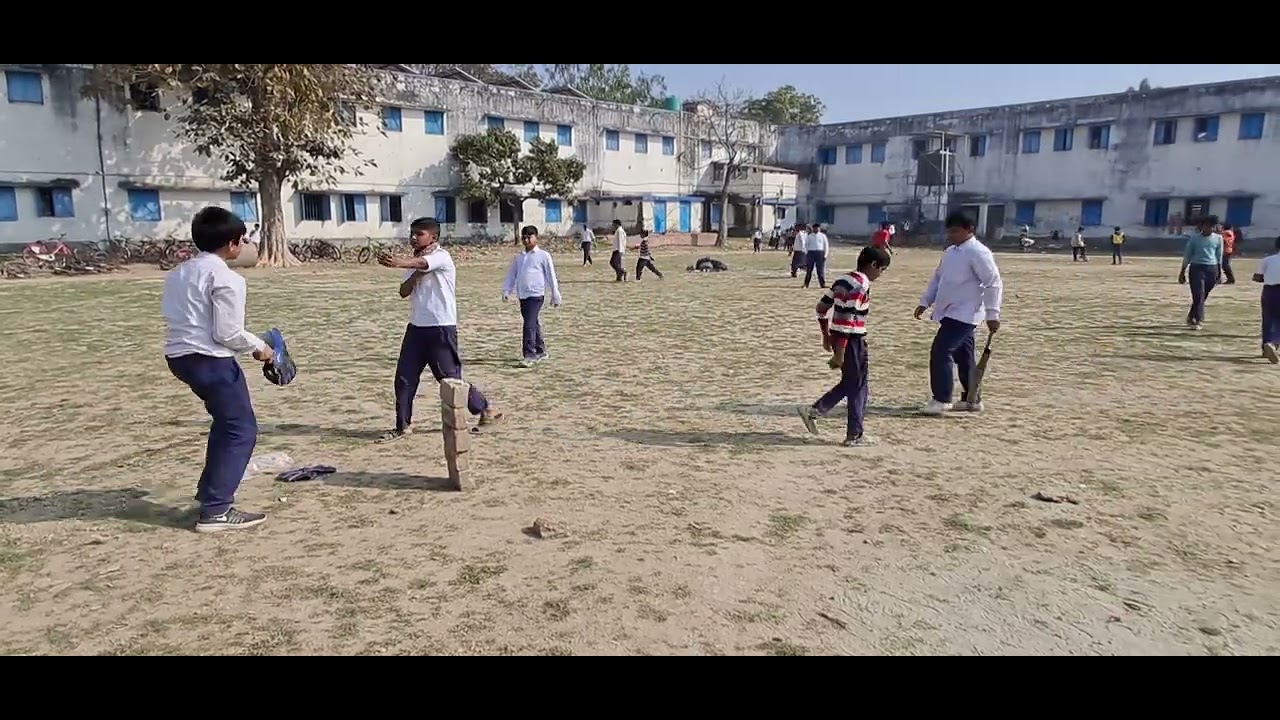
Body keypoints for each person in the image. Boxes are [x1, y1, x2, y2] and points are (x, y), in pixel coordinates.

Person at [162, 206, 274, 533]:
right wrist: (261, 348)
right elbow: (227, 333)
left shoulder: (179, 272)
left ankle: (210, 493)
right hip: (209, 358)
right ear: (233, 244)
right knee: (241, 429)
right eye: (243, 240)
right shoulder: (226, 277)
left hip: (180, 356)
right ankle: (216, 511)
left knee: (226, 424)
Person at [377, 217, 501, 442]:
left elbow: (425, 264)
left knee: (450, 379)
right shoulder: (414, 262)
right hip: (416, 328)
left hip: (441, 327)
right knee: (404, 378)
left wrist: (399, 262)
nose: (413, 237)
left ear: (433, 237)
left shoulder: (441, 256)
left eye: (419, 233)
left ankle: (485, 409)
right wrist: (413, 273)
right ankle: (403, 425)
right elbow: (404, 292)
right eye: (412, 233)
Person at [798, 246, 892, 447]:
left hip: (842, 339)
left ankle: (816, 411)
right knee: (857, 386)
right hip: (851, 341)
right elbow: (845, 321)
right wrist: (838, 354)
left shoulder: (843, 279)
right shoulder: (860, 285)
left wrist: (826, 336)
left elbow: (821, 307)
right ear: (874, 265)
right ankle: (853, 434)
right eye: (882, 270)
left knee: (854, 383)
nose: (880, 275)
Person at [914, 212, 1003, 415]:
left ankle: (942, 398)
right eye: (949, 231)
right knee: (964, 357)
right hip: (950, 311)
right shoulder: (951, 252)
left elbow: (993, 283)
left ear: (969, 229)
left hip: (966, 314)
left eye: (955, 231)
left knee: (941, 351)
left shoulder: (979, 252)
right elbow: (938, 279)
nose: (951, 235)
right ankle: (972, 399)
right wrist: (925, 301)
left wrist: (992, 314)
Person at [502, 225, 562, 366]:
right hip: (523, 295)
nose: (527, 240)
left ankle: (530, 354)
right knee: (533, 322)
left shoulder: (543, 256)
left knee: (528, 324)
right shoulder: (519, 258)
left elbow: (551, 275)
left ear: (536, 238)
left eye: (530, 237)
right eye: (524, 238)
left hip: (536, 295)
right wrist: (507, 290)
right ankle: (540, 350)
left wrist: (555, 293)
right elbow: (512, 275)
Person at [1178, 216, 1224, 330]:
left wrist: (1219, 272)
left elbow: (1219, 256)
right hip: (1197, 268)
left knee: (1203, 296)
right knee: (1198, 294)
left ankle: (1191, 315)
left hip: (1211, 269)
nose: (1209, 228)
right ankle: (1198, 320)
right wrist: (1182, 271)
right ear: (1201, 226)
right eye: (1207, 226)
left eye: (1212, 226)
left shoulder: (1218, 239)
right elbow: (1187, 255)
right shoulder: (1194, 239)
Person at [1253, 236, 1280, 364]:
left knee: (1268, 319)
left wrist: (1270, 277)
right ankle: (1274, 343)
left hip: (1269, 291)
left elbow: (1257, 277)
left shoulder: (1266, 260)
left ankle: (1266, 344)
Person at [804, 223, 829, 288]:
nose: (816, 229)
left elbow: (826, 246)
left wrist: (825, 255)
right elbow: (806, 245)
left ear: (819, 228)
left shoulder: (823, 236)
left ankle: (822, 284)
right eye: (815, 228)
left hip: (820, 253)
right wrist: (807, 253)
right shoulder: (809, 236)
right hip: (811, 253)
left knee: (820, 270)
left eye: (818, 228)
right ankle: (806, 284)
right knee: (809, 269)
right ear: (813, 229)